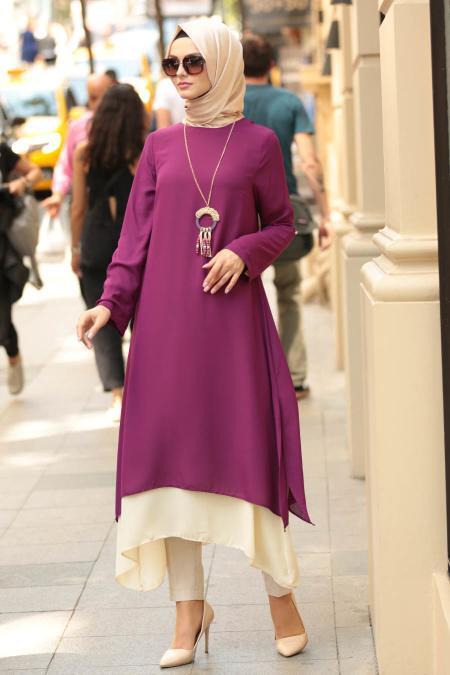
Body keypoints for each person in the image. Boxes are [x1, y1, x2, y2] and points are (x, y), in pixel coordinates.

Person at [76, 18, 313, 668]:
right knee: (170, 471)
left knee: (248, 454)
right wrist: (110, 303)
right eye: (172, 63)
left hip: (233, 327)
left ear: (222, 63)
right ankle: (188, 610)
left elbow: (282, 223)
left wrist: (244, 250)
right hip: (166, 330)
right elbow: (135, 242)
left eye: (193, 62)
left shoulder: (258, 143)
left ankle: (281, 598)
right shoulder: (158, 146)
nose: (180, 74)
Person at [242, 33, 332, 399]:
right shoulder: (289, 102)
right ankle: (294, 376)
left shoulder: (228, 103)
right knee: (289, 293)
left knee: (241, 296)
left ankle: (249, 378)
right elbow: (309, 162)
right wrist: (326, 214)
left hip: (239, 216)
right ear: (272, 65)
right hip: (283, 214)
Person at [71, 84, 146, 421]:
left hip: (96, 239)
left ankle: (118, 395)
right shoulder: (143, 153)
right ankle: (146, 387)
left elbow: (78, 207)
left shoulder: (85, 153)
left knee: (100, 316)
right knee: (142, 318)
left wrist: (76, 248)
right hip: (136, 241)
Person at [42, 73, 114, 219]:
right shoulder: (78, 127)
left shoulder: (128, 129)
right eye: (93, 98)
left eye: (105, 97)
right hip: (90, 210)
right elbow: (65, 165)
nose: (99, 104)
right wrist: (58, 195)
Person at [0, 142, 41, 394]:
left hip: (2, 247)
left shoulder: (2, 151)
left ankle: (13, 355)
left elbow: (35, 172)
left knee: (2, 323)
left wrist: (22, 183)